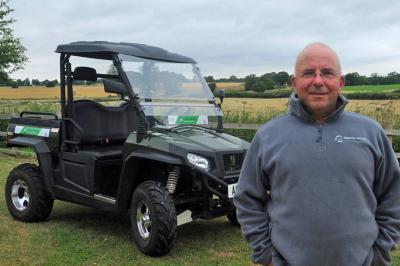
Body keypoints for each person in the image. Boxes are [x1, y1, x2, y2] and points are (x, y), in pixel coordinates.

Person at [233, 43, 400, 266]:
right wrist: (266, 256)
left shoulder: (370, 132)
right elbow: (247, 198)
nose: (318, 81)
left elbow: (393, 194)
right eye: (309, 73)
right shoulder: (268, 135)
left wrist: (379, 253)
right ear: (295, 83)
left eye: (327, 73)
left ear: (340, 82)